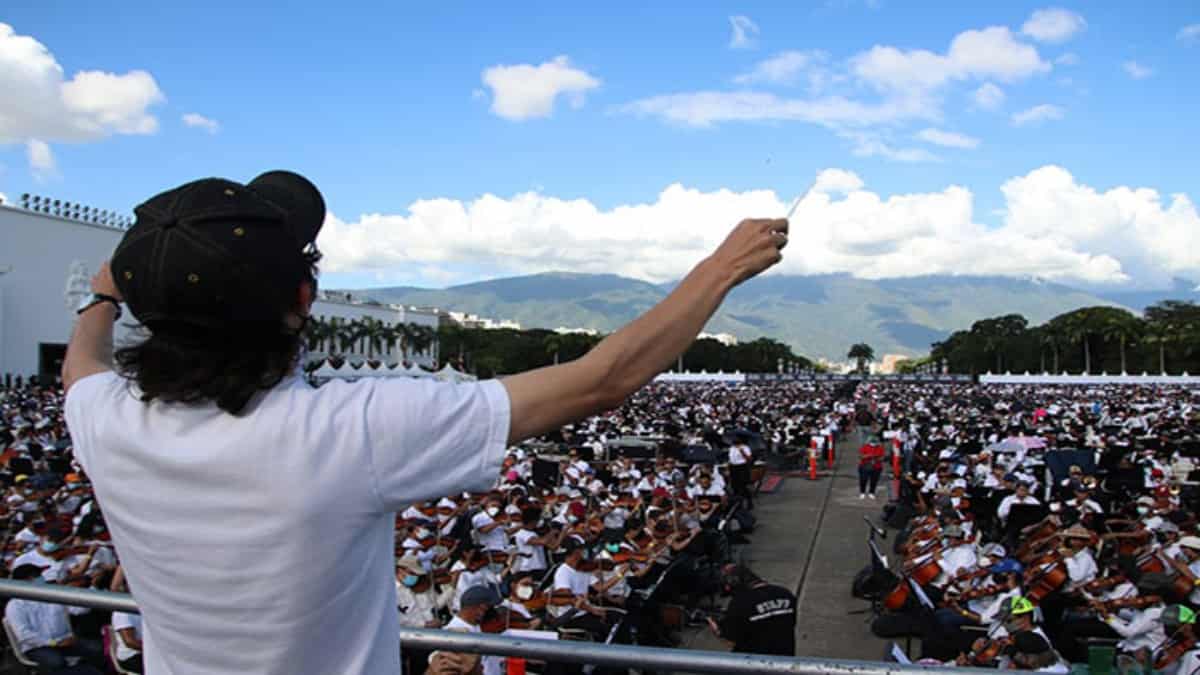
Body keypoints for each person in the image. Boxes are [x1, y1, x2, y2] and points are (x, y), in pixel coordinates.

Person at [60, 171, 788, 674]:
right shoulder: (350, 429)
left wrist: (101, 299)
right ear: (304, 299)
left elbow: (81, 364)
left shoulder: (105, 420)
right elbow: (602, 379)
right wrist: (720, 268)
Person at [3, 564, 105, 673]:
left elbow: (79, 610)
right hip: (38, 646)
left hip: (67, 641)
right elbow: (24, 635)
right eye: (35, 576)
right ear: (24, 581)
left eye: (39, 575)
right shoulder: (15, 606)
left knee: (97, 649)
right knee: (56, 662)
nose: (40, 578)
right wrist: (53, 643)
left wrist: (93, 587)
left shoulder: (53, 594)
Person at [707, 564, 796, 656]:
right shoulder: (786, 594)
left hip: (753, 661)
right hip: (785, 659)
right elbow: (789, 624)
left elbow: (731, 641)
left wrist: (717, 630)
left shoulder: (739, 603)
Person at [858, 434, 885, 500]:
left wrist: (877, 458)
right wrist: (868, 456)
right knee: (863, 480)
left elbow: (882, 458)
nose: (873, 443)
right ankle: (862, 492)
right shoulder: (865, 447)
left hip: (876, 467)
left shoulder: (880, 448)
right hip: (865, 466)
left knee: (874, 480)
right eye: (872, 442)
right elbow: (860, 456)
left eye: (875, 442)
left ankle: (871, 492)